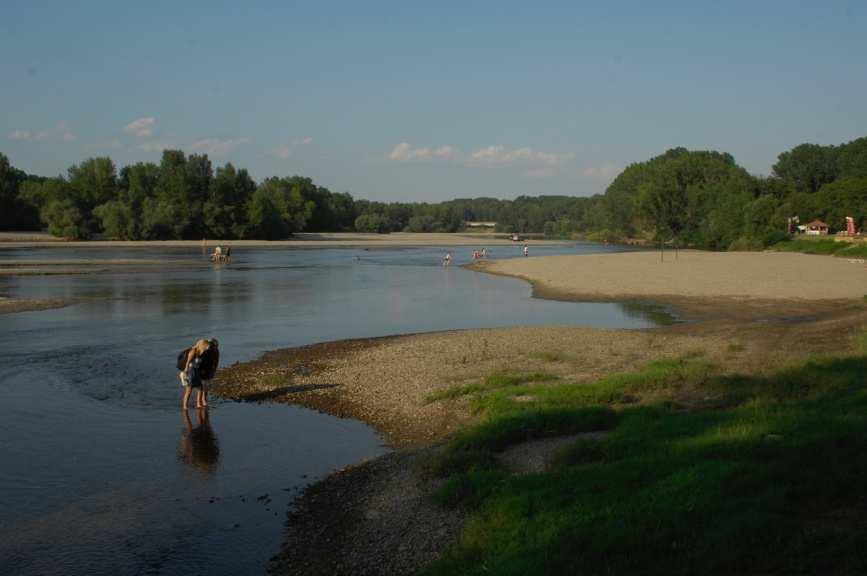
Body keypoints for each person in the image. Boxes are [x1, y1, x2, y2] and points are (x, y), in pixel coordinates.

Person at [181, 339, 212, 410]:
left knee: (200, 388)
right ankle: (185, 406)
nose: (208, 348)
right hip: (191, 372)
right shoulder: (193, 351)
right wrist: (185, 371)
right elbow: (187, 362)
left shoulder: (202, 352)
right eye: (207, 346)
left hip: (197, 371)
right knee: (189, 390)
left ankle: (198, 404)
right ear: (203, 345)